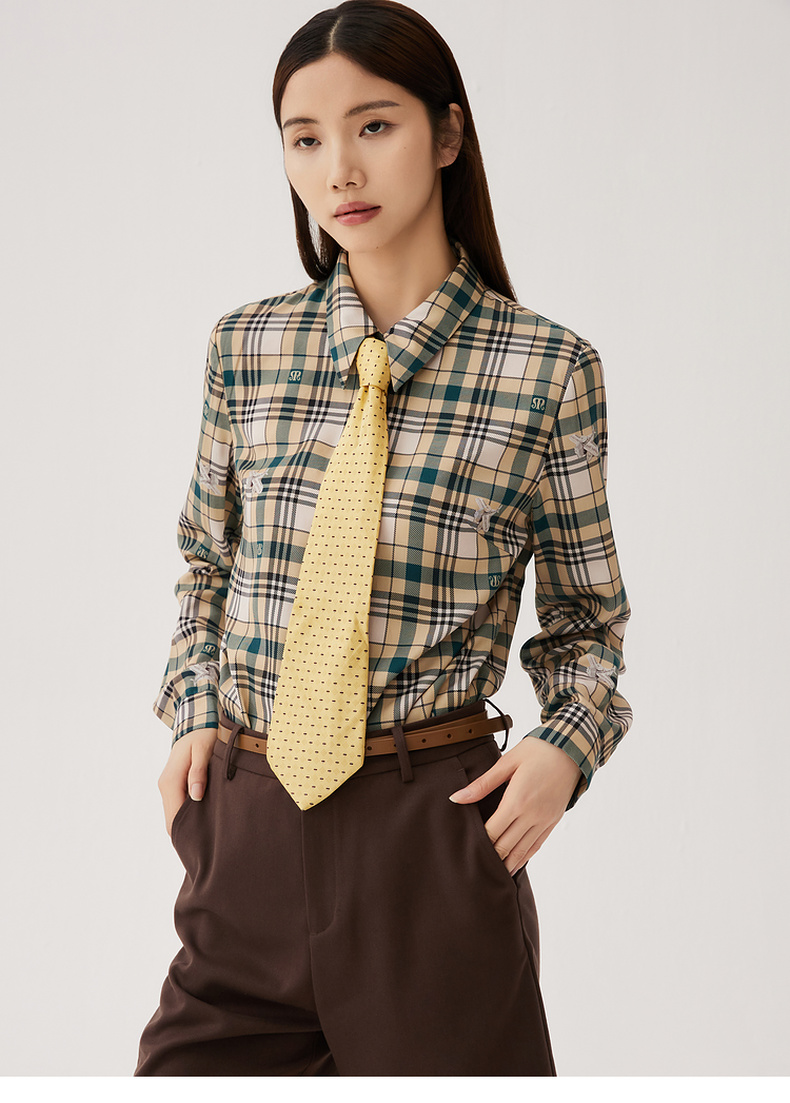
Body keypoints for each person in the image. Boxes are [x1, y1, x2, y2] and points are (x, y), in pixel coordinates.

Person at [134, 0, 632, 1077]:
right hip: (246, 826)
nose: (339, 171)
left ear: (446, 133)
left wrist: (565, 746)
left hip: (429, 837)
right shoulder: (247, 347)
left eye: (373, 126)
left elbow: (588, 626)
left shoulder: (547, 371)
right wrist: (192, 710)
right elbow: (206, 563)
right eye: (305, 138)